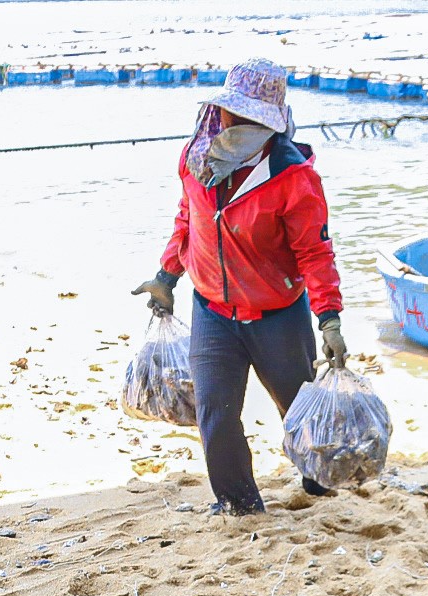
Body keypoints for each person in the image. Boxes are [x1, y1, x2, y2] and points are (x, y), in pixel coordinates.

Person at [133, 58, 347, 515]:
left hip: (277, 316)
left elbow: (315, 252)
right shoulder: (195, 160)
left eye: (252, 118)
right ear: (222, 112)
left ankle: (318, 484)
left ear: (269, 124)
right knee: (216, 415)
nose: (238, 123)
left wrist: (328, 318)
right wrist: (167, 276)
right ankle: (239, 504)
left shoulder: (293, 176)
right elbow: (188, 219)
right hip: (212, 312)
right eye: (235, 114)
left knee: (300, 409)